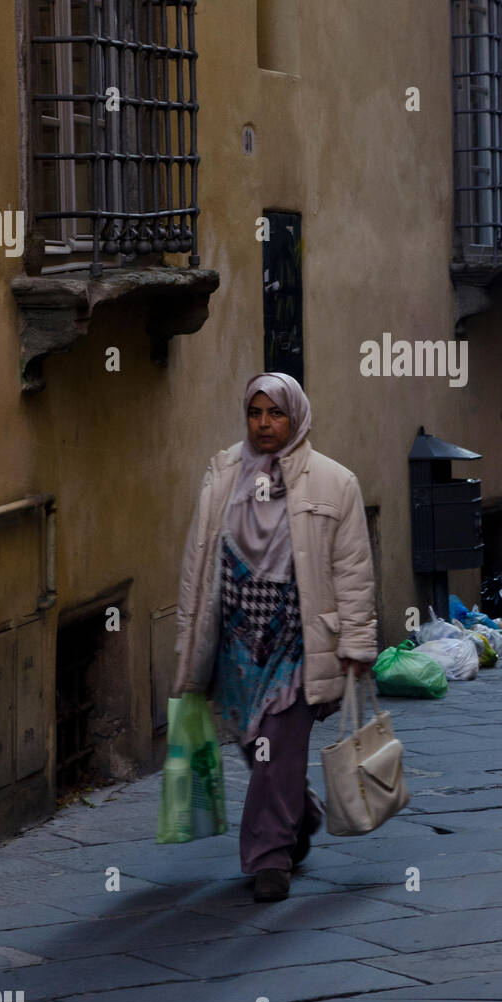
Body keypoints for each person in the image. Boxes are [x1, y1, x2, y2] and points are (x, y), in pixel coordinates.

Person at [172, 372, 377, 901]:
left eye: (275, 413)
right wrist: (190, 636)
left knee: (273, 747)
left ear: (297, 417)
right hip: (236, 644)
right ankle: (301, 812)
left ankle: (269, 859)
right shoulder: (222, 474)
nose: (264, 424)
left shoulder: (336, 482)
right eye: (255, 413)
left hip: (297, 643)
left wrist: (356, 644)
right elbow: (199, 562)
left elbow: (353, 568)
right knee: (257, 747)